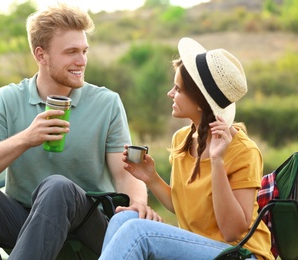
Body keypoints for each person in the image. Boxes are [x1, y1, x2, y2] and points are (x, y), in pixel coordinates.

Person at [0, 3, 161, 260]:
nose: (81, 61)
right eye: (71, 52)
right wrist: (26, 138)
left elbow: (125, 173)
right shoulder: (7, 99)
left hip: (87, 224)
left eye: (84, 51)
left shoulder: (106, 102)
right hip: (26, 223)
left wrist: (138, 203)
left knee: (57, 187)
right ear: (41, 55)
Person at [99, 37, 274, 260]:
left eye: (178, 89)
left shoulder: (243, 151)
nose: (170, 93)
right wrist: (151, 178)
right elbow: (185, 208)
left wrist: (217, 161)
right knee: (124, 219)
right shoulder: (182, 139)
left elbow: (232, 231)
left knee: (139, 233)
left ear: (201, 103)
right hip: (200, 248)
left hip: (239, 254)